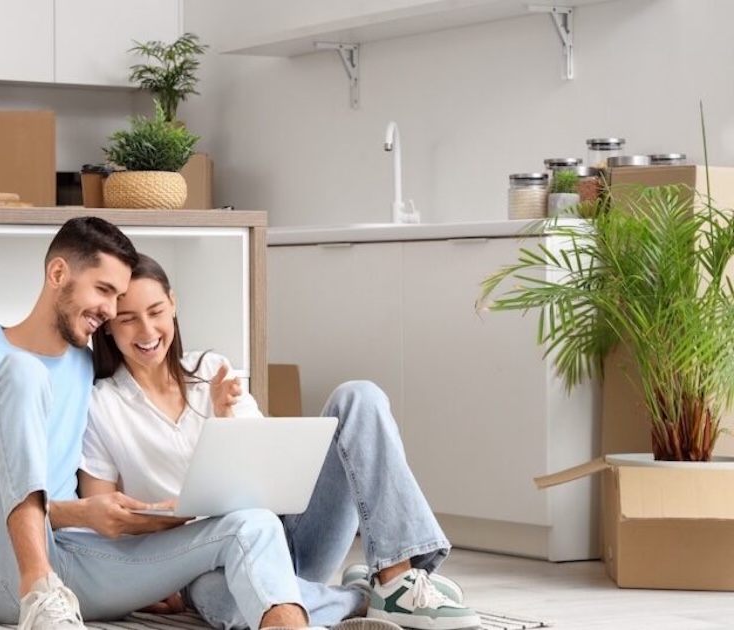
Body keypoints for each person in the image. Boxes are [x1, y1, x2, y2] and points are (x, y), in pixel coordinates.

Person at [0, 216, 402, 630]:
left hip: (76, 558)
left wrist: (146, 534)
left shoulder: (83, 366)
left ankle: (313, 615)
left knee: (250, 524)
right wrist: (80, 513)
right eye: (105, 292)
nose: (111, 311)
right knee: (24, 369)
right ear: (58, 274)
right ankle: (39, 594)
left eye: (119, 298)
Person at [81, 253, 481, 630]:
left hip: (288, 538)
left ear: (173, 303)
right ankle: (358, 599)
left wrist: (226, 419)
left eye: (156, 312)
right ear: (110, 325)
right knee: (227, 602)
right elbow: (106, 527)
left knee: (359, 396)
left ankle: (397, 577)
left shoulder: (212, 370)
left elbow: (267, 479)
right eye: (129, 319)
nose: (147, 331)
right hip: (201, 566)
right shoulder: (100, 406)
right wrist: (156, 563)